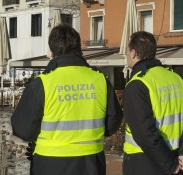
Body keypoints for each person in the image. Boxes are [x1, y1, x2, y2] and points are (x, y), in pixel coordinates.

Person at [11, 24, 123, 175]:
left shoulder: (43, 83)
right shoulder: (100, 80)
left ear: (52, 50)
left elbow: (23, 129)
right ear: (78, 47)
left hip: (50, 163)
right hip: (91, 162)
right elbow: (113, 122)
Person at [122, 31, 183, 175]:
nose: (126, 55)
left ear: (133, 53)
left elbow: (145, 133)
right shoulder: (177, 78)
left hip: (144, 163)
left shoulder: (137, 84)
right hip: (178, 159)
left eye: (127, 51)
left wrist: (170, 165)